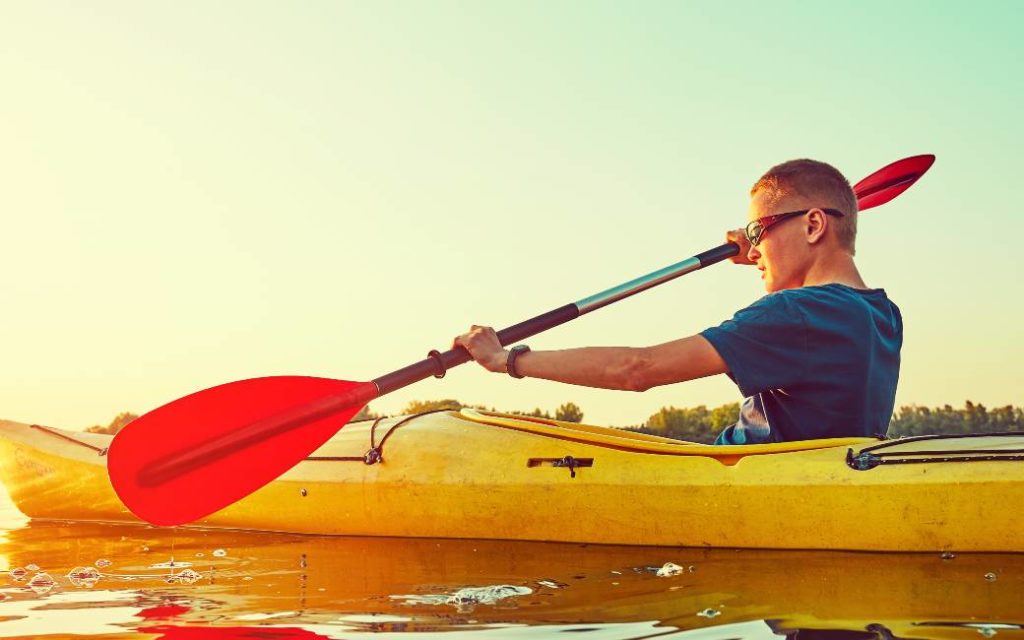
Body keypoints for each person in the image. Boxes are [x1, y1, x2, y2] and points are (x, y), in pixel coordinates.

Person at [454, 159, 902, 444]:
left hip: (745, 479)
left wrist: (507, 359)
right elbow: (815, 330)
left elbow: (637, 370)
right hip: (824, 475)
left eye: (757, 231)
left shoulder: (793, 315)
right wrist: (767, 253)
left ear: (813, 226)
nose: (751, 246)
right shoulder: (882, 314)